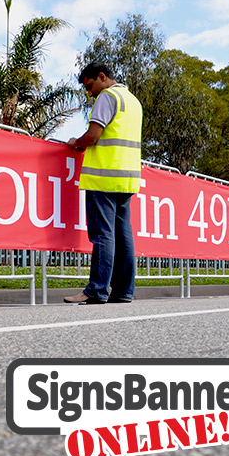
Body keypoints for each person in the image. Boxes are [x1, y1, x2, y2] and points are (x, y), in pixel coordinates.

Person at [63, 61, 143, 305]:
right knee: (123, 235)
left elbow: (94, 135)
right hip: (127, 178)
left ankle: (96, 290)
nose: (89, 93)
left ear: (101, 77)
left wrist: (76, 141)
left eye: (90, 86)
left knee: (102, 235)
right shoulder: (133, 101)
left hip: (104, 177)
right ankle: (123, 291)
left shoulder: (107, 97)